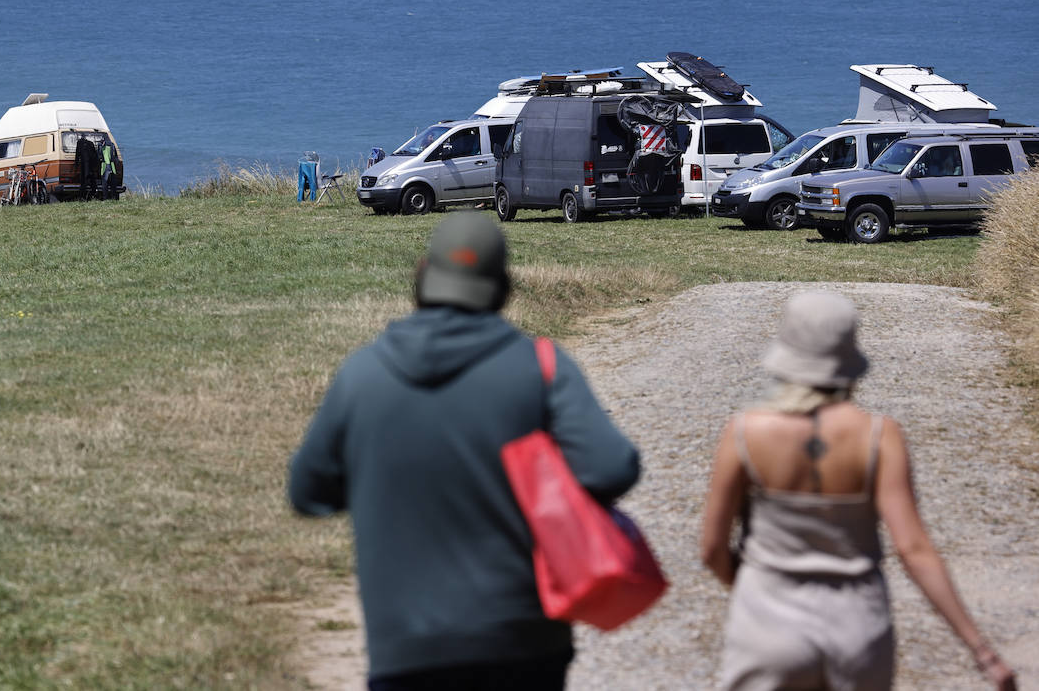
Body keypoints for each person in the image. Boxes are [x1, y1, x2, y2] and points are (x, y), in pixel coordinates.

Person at [288, 212, 641, 690]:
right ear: (503, 288)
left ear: (422, 276)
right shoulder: (541, 368)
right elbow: (612, 467)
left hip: (406, 650)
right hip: (523, 641)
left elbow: (309, 492)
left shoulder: (362, 375)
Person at [699, 291, 1017, 691]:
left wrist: (750, 588)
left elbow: (711, 549)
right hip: (857, 628)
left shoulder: (745, 432)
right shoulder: (880, 436)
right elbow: (914, 550)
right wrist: (982, 652)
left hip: (768, 627)